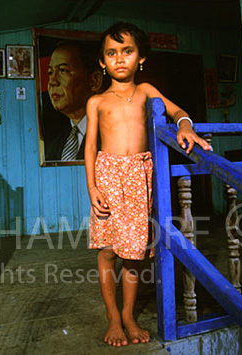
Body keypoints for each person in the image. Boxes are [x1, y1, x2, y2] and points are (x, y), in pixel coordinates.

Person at [85, 22, 212, 347]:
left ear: (141, 58)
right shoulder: (97, 101)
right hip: (108, 177)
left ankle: (129, 314)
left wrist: (185, 127)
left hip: (140, 178)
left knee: (134, 254)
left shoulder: (146, 92)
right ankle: (113, 316)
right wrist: (93, 188)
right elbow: (90, 147)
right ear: (102, 61)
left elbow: (177, 111)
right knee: (108, 251)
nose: (120, 59)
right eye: (111, 53)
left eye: (127, 51)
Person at [44, 41, 103, 161]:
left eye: (63, 71)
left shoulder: (110, 134)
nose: (52, 82)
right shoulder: (58, 144)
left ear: (94, 81)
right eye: (50, 72)